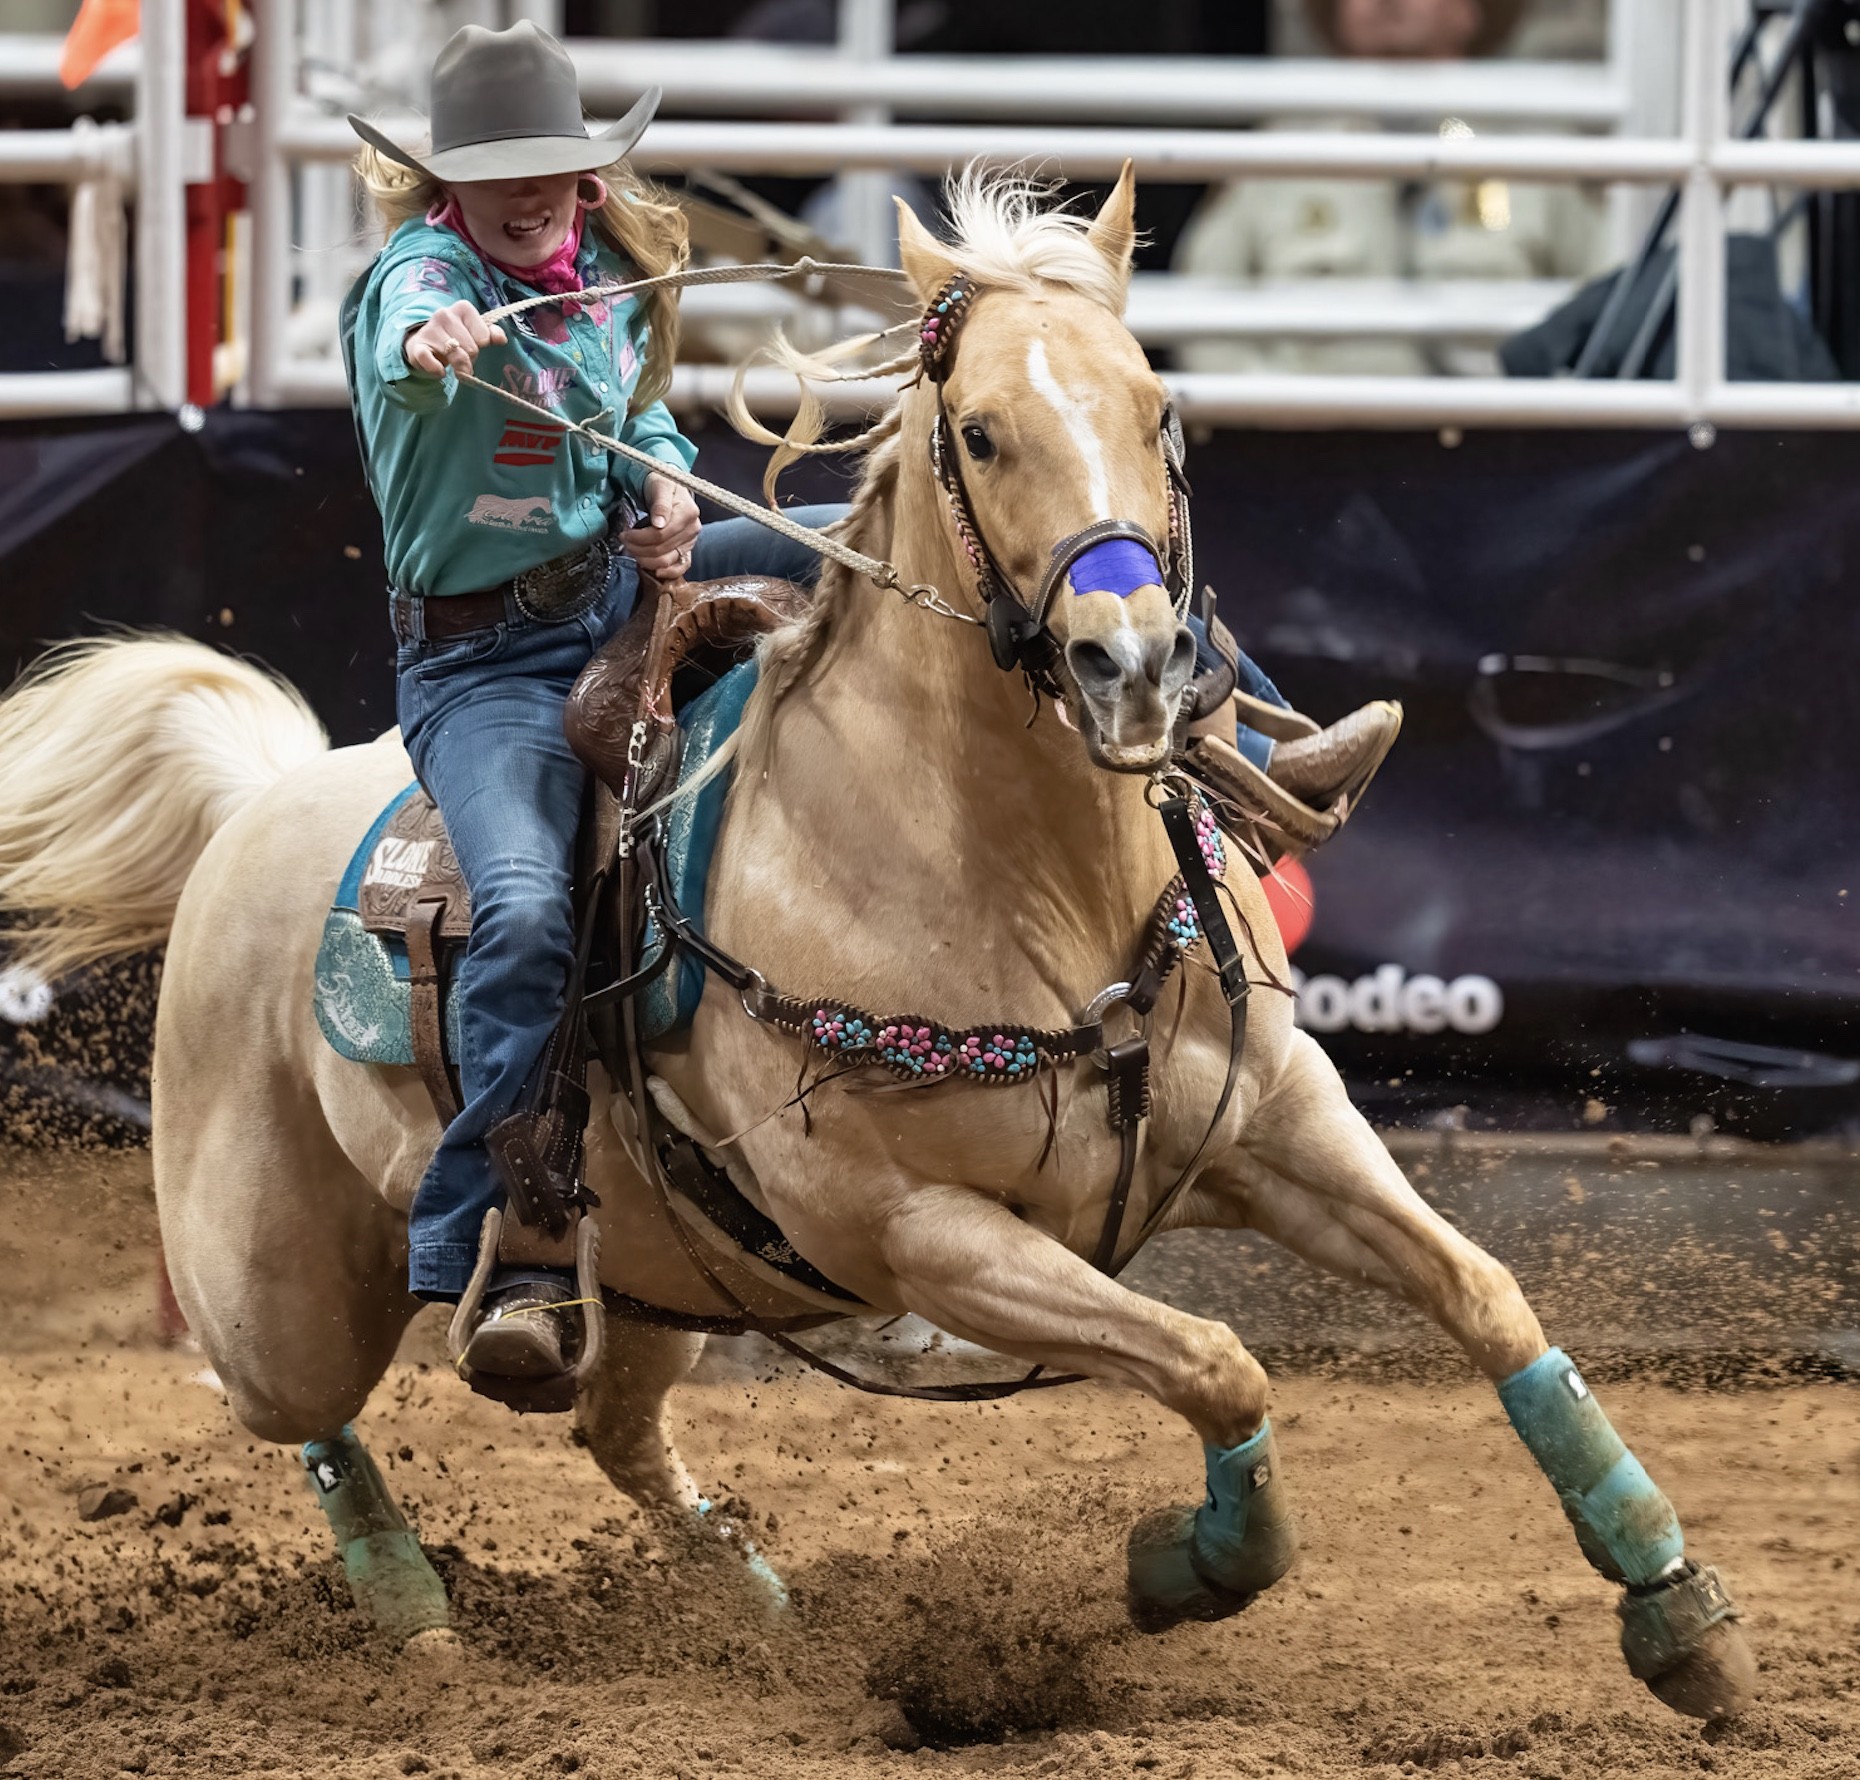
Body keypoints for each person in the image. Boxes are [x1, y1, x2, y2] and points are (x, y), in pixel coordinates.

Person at [344, 22, 1391, 1397]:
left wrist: (663, 476)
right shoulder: (419, 283)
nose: (533, 195)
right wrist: (434, 340)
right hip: (490, 667)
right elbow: (401, 352)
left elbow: (645, 416)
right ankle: (513, 1228)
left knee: (908, 538)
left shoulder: (592, 278)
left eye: (555, 171)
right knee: (532, 907)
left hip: (612, 590)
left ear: (588, 180)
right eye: (498, 178)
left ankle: (1245, 731)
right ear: (444, 192)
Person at [1174, 0, 1604, 377]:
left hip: (1502, 449)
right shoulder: (1278, 155)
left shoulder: (1534, 151)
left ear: (1472, 8)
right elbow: (1202, 314)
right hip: (1324, 446)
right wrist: (1274, 407)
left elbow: (1602, 299)